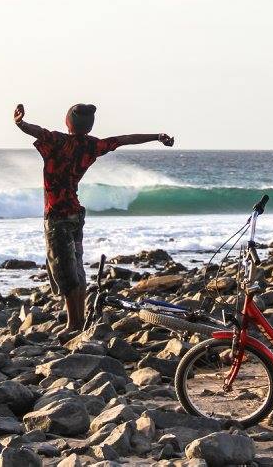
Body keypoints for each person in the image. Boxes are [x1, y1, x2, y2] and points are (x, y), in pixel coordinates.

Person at [14, 103, 174, 334]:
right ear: (89, 126)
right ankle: (78, 321)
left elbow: (36, 131)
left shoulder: (57, 141)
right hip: (76, 215)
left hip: (57, 216)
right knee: (76, 267)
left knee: (64, 271)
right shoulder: (92, 145)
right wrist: (156, 136)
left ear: (68, 122)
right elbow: (125, 139)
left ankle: (73, 324)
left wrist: (20, 123)